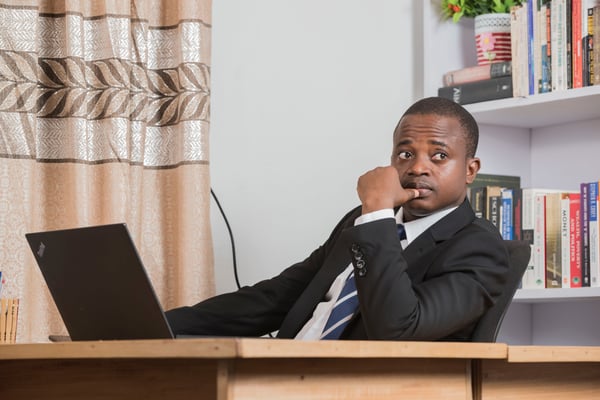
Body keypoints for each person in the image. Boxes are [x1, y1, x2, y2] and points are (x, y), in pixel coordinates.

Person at [166, 96, 510, 341]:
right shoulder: (357, 223)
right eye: (405, 154)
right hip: (283, 370)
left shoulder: (479, 249)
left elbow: (397, 328)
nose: (417, 167)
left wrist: (377, 212)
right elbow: (278, 297)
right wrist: (159, 325)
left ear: (470, 170)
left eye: (439, 156)